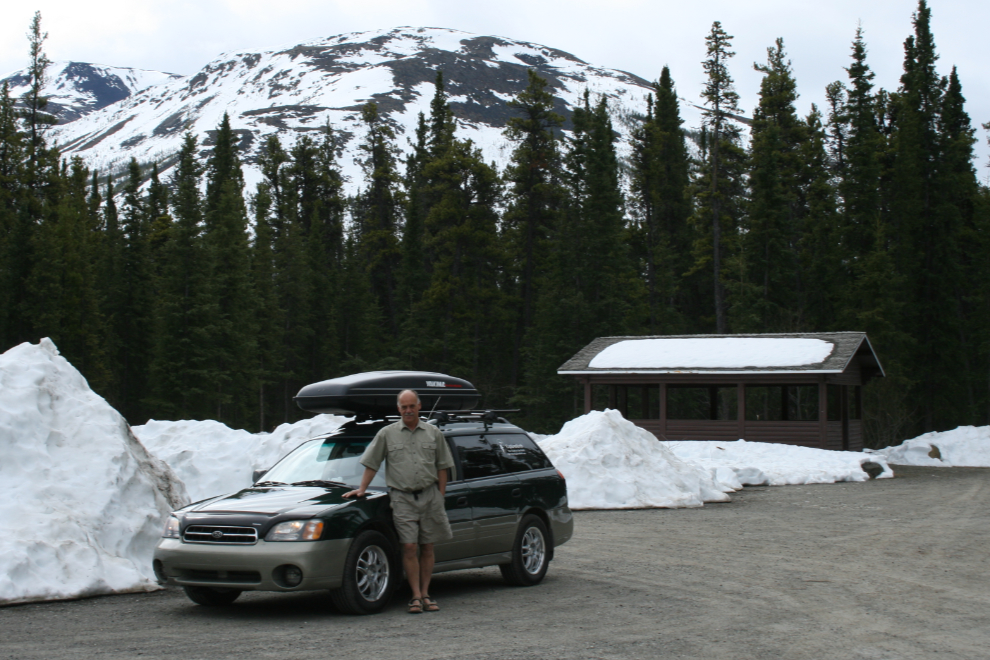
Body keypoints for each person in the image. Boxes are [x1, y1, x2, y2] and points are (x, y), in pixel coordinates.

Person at [343, 389, 454, 614]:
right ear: (398, 409)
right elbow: (372, 462)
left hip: (430, 495)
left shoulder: (433, 433)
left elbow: (443, 466)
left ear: (419, 406)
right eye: (404, 407)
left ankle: (425, 593)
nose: (408, 410)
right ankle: (414, 596)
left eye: (411, 406)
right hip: (402, 497)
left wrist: (440, 496)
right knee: (410, 546)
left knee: (428, 546)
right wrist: (361, 489)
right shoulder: (387, 434)